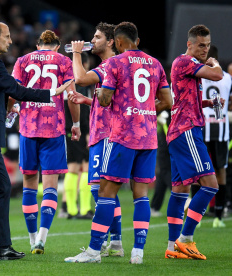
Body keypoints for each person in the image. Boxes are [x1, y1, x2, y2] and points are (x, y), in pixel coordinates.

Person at [0, 21, 72, 261]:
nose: (10, 41)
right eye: (6, 36)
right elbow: (16, 90)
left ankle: (3, 247)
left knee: (3, 187)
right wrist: (51, 93)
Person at [65, 21, 172, 264]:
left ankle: (94, 250)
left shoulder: (115, 63)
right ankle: (138, 252)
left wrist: (108, 99)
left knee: (105, 191)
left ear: (119, 42)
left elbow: (104, 100)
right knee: (141, 194)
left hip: (122, 136)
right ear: (138, 40)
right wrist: (143, 110)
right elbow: (168, 101)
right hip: (148, 137)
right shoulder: (155, 63)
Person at [12, 30, 81, 255]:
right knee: (50, 186)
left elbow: (13, 93)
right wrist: (76, 124)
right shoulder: (63, 61)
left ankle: (32, 239)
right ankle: (42, 238)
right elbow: (72, 96)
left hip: (28, 128)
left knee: (29, 186)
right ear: (57, 46)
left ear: (38, 44)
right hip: (53, 128)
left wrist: (11, 110)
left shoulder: (23, 61)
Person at [165, 25, 223, 260]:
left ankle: (171, 246)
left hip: (179, 130)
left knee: (180, 190)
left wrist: (208, 103)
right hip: (187, 130)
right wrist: (214, 63)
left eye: (207, 46)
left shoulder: (186, 67)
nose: (205, 49)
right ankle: (185, 238)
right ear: (189, 44)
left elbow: (188, 99)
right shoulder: (184, 61)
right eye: (201, 45)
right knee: (211, 184)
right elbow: (217, 75)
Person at [67, 22, 124, 257]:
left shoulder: (110, 64)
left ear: (110, 42)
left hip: (106, 135)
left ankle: (101, 242)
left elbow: (79, 77)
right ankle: (116, 242)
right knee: (106, 189)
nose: (93, 39)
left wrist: (77, 52)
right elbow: (111, 103)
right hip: (104, 132)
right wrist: (87, 101)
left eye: (98, 36)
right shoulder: (110, 66)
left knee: (97, 189)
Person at [191, 45, 232, 228]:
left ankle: (195, 216)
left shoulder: (199, 75)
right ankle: (218, 216)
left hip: (202, 129)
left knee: (197, 172)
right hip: (222, 130)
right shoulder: (228, 78)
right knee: (221, 171)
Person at [61, 51, 91, 220]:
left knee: (72, 167)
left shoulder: (66, 82)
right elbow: (83, 110)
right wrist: (87, 132)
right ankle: (85, 209)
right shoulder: (82, 82)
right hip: (80, 129)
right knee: (85, 168)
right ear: (84, 65)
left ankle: (71, 209)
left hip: (66, 129)